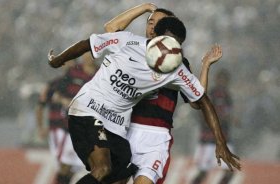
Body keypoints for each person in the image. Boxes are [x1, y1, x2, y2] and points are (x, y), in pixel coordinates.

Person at [48, 16, 240, 184]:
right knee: (103, 169)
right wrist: (58, 60)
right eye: (169, 42)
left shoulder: (176, 68)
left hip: (116, 126)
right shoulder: (128, 41)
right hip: (89, 109)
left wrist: (220, 142)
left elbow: (202, 101)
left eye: (177, 46)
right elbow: (88, 44)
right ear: (156, 35)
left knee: (121, 168)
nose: (172, 50)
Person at [104, 4, 235, 184]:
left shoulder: (177, 63)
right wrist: (143, 8)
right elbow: (111, 29)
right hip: (125, 129)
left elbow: (197, 102)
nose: (152, 26)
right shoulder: (132, 47)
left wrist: (205, 66)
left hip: (156, 136)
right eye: (150, 21)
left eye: (157, 23)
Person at [36, 54, 97, 184]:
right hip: (62, 128)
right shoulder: (67, 76)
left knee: (76, 168)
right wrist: (41, 127)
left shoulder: (100, 72)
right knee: (65, 165)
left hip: (86, 128)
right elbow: (48, 100)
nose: (88, 57)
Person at [191, 69, 236, 184]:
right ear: (216, 80)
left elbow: (228, 114)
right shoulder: (210, 94)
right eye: (220, 80)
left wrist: (231, 119)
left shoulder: (228, 96)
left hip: (223, 138)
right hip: (208, 139)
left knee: (230, 171)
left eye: (225, 81)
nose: (222, 83)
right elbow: (203, 113)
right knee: (203, 171)